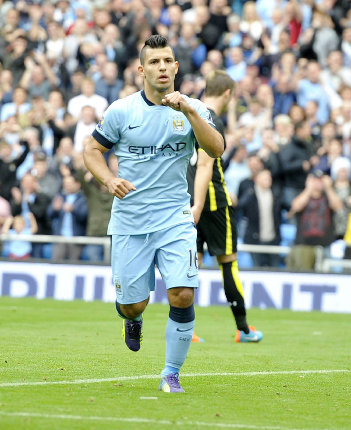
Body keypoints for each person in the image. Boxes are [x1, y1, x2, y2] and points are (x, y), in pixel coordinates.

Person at [83, 35, 224, 393]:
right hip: (131, 220)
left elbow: (216, 148)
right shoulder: (121, 111)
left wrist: (190, 112)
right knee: (133, 304)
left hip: (175, 218)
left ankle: (171, 373)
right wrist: (109, 179)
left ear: (176, 67)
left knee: (182, 294)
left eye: (167, 61)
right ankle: (133, 319)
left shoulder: (195, 109)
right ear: (141, 69)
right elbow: (91, 150)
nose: (162, 67)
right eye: (154, 62)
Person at [187, 69, 263, 343]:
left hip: (187, 197)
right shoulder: (211, 120)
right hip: (213, 201)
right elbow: (207, 163)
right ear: (229, 94)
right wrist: (200, 204)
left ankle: (186, 329)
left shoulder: (192, 114)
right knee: (228, 263)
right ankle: (243, 329)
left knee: (190, 265)